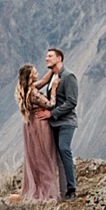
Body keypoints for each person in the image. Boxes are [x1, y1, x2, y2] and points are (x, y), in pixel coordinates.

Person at [15, 63, 61, 201]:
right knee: (44, 156)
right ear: (30, 77)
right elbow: (50, 104)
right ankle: (47, 190)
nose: (38, 74)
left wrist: (53, 70)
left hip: (30, 125)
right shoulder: (34, 93)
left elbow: (44, 80)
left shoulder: (27, 89)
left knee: (35, 156)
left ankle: (37, 186)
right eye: (35, 73)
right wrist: (53, 89)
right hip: (40, 125)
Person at [42, 47, 79, 198]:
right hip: (54, 124)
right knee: (56, 156)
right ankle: (61, 191)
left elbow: (72, 101)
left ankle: (71, 189)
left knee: (64, 149)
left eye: (50, 56)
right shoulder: (52, 78)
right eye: (47, 56)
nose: (46, 58)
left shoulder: (69, 76)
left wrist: (52, 113)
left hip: (66, 122)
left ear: (59, 58)